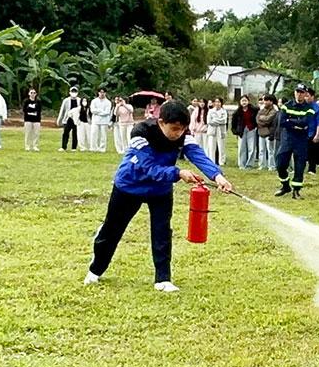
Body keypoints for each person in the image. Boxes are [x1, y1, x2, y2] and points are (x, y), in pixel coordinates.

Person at [84, 101, 233, 293]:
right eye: (174, 129)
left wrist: (218, 177)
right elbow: (148, 168)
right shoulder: (140, 133)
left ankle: (163, 279)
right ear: (161, 122)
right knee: (112, 230)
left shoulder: (183, 135)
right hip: (130, 186)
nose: (178, 134)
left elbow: (198, 155)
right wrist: (178, 173)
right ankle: (95, 270)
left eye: (182, 129)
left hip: (160, 191)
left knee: (162, 232)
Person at [275, 84, 316, 199]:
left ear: (305, 94)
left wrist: (290, 120)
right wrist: (296, 124)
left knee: (299, 166)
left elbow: (305, 122)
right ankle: (285, 185)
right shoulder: (286, 106)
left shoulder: (309, 108)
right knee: (280, 163)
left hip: (301, 140)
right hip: (287, 139)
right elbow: (282, 122)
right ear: (294, 93)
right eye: (297, 92)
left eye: (302, 92)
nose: (299, 94)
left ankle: (296, 191)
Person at [230, 95, 258, 169]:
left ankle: (249, 165)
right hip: (241, 131)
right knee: (242, 148)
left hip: (251, 129)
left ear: (248, 101)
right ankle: (242, 164)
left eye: (245, 100)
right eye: (242, 101)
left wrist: (255, 126)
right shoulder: (237, 112)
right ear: (240, 102)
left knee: (251, 148)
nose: (244, 102)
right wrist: (235, 131)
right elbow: (233, 123)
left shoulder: (254, 110)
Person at [306, 88, 319, 175]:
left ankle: (312, 169)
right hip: (302, 132)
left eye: (307, 96)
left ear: (312, 96)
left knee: (312, 152)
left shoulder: (317, 108)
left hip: (312, 132)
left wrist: (317, 134)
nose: (305, 98)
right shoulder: (302, 106)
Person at [256, 94, 278, 171]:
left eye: (266, 100)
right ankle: (262, 165)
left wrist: (263, 119)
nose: (264, 102)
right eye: (264, 100)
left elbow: (269, 119)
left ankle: (271, 166)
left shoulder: (274, 111)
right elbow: (257, 119)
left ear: (271, 102)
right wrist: (263, 120)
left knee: (270, 150)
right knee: (261, 150)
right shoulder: (261, 110)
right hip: (261, 132)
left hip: (269, 133)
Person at [57, 87, 82, 152]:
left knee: (75, 133)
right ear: (69, 92)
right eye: (72, 91)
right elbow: (62, 110)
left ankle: (74, 147)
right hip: (67, 119)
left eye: (75, 91)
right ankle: (63, 147)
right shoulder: (66, 100)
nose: (74, 93)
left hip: (76, 119)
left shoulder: (79, 100)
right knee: (65, 133)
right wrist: (59, 120)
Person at [204, 98, 228, 165]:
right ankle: (212, 161)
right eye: (216, 102)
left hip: (221, 130)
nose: (217, 103)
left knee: (221, 146)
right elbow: (209, 121)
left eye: (219, 102)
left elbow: (224, 121)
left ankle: (222, 161)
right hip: (212, 131)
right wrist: (218, 121)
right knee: (211, 146)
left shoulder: (224, 111)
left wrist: (215, 120)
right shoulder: (211, 111)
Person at [91, 89, 113, 153]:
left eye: (103, 92)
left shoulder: (108, 102)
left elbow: (107, 112)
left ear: (105, 93)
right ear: (98, 93)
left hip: (104, 121)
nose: (102, 93)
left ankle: (102, 148)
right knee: (94, 134)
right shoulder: (94, 101)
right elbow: (93, 110)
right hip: (95, 120)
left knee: (103, 135)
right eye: (100, 92)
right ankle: (94, 148)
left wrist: (98, 111)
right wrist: (101, 111)